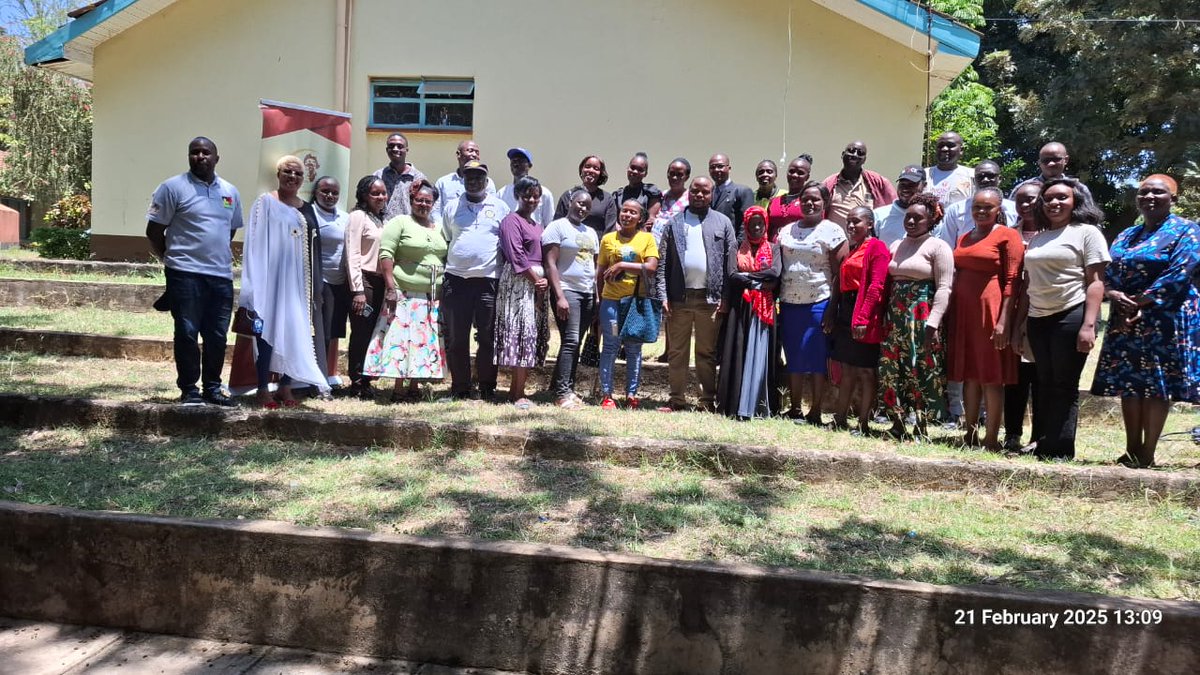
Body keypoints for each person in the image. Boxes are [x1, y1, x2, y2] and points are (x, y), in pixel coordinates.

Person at [1090, 174, 1200, 468]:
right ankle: (1131, 448)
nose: (1149, 197)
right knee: (1130, 383)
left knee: (1157, 384)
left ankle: (1148, 451)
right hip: (1126, 317)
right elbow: (1110, 270)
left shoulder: (1187, 231)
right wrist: (1115, 294)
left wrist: (1141, 300)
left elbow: (1180, 272)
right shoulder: (1128, 234)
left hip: (1165, 317)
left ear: (1173, 199)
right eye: (1144, 192)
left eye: (1158, 192)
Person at [1013, 178, 1109, 460]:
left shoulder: (1087, 233)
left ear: (1075, 202)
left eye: (1061, 198)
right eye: (1049, 199)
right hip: (1037, 317)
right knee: (1044, 381)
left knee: (1064, 384)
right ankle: (1044, 442)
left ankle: (1061, 448)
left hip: (1071, 313)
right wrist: (1021, 323)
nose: (1054, 203)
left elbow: (1096, 282)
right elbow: (1028, 284)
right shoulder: (1040, 238)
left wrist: (1090, 325)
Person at [146, 136, 243, 407]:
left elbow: (229, 230)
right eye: (194, 152)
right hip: (184, 273)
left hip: (220, 276)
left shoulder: (230, 192)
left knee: (217, 334)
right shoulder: (172, 187)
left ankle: (212, 388)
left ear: (216, 158)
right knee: (187, 331)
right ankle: (189, 389)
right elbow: (154, 231)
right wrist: (173, 258)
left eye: (206, 152)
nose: (200, 157)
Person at [238, 155, 331, 407]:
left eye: (298, 174)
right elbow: (255, 243)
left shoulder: (306, 207)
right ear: (278, 174)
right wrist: (255, 282)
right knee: (267, 332)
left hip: (298, 282)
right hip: (271, 279)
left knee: (293, 330)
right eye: (288, 172)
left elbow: (314, 245)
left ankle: (285, 387)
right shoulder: (265, 203)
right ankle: (261, 388)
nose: (293, 177)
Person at [946, 188, 1024, 451]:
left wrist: (1004, 320)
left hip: (991, 309)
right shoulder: (967, 236)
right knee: (970, 374)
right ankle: (969, 434)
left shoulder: (1007, 235)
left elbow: (1013, 279)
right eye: (977, 207)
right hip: (964, 311)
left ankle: (991, 438)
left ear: (999, 209)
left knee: (991, 375)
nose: (981, 211)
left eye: (987, 207)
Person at [656, 177, 738, 412]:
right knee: (677, 351)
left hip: (709, 299)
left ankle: (706, 401)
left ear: (712, 194)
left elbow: (729, 263)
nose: (699, 195)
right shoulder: (674, 222)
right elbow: (663, 263)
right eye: (695, 191)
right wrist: (663, 296)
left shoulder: (722, 222)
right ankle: (677, 399)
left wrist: (725, 297)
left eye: (705, 191)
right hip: (679, 299)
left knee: (706, 352)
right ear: (689, 193)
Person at [877, 192, 953, 438]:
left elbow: (944, 287)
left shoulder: (938, 247)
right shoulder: (897, 245)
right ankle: (898, 422)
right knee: (893, 365)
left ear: (931, 220)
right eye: (908, 217)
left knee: (920, 366)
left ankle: (921, 424)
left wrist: (933, 322)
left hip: (921, 314)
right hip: (895, 314)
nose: (910, 222)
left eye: (917, 218)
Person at [364, 179, 447, 402]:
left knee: (422, 342)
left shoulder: (439, 227)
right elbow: (386, 255)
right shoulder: (400, 222)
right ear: (412, 200)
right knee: (401, 341)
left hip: (430, 297)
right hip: (403, 294)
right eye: (419, 200)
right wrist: (391, 288)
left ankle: (414, 386)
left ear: (433, 204)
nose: (423, 204)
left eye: (427, 201)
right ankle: (398, 388)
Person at [776, 181, 847, 424]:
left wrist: (832, 308)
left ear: (825, 203)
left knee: (817, 358)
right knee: (794, 357)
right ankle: (795, 408)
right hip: (788, 301)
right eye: (805, 198)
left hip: (819, 301)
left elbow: (839, 273)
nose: (809, 203)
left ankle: (815, 410)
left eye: (815, 199)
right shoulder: (786, 231)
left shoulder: (833, 231)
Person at [441, 159, 510, 400]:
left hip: (488, 281)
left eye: (478, 177)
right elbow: (449, 237)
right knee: (457, 337)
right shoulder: (451, 207)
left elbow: (504, 241)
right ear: (463, 179)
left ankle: (487, 387)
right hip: (457, 280)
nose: (473, 181)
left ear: (486, 180)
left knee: (488, 336)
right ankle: (460, 387)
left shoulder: (500, 207)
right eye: (469, 177)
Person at [829, 206, 890, 434]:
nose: (851, 226)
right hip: (847, 311)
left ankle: (864, 421)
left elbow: (876, 286)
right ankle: (840, 417)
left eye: (857, 221)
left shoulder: (877, 247)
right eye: (849, 222)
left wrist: (863, 318)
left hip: (865, 314)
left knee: (865, 371)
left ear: (870, 224)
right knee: (847, 369)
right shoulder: (853, 249)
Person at [716, 206, 782, 419]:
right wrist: (759, 282)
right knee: (739, 349)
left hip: (764, 307)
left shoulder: (774, 248)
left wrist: (749, 278)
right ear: (745, 226)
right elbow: (733, 274)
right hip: (740, 307)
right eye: (751, 224)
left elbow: (775, 272)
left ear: (765, 225)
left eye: (759, 224)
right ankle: (736, 404)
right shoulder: (736, 246)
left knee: (761, 352)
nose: (755, 227)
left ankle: (758, 404)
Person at [597, 200, 659, 409]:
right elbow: (600, 272)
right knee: (611, 346)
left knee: (633, 348)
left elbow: (651, 267)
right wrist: (599, 299)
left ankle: (631, 395)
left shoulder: (647, 239)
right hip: (612, 303)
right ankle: (607, 395)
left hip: (634, 305)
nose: (627, 215)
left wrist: (622, 264)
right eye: (625, 211)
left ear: (640, 218)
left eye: (633, 212)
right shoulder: (607, 239)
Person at [495, 176, 551, 408]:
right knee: (521, 334)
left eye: (536, 196)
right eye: (527, 195)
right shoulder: (511, 221)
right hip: (519, 284)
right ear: (518, 196)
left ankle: (519, 389)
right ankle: (516, 393)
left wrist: (542, 282)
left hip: (537, 284)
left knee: (532, 334)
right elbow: (516, 256)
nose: (532, 199)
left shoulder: (538, 226)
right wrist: (537, 279)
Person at [542, 188, 598, 408]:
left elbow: (592, 266)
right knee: (571, 340)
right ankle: (562, 393)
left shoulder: (591, 232)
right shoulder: (556, 227)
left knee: (576, 342)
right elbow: (550, 263)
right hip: (567, 291)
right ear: (570, 202)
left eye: (587, 206)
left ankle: (565, 387)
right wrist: (559, 296)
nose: (582, 208)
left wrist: (596, 296)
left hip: (587, 293)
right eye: (580, 203)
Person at [1002, 183, 1044, 451]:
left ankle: (1038, 436)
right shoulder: (1008, 234)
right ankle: (1012, 433)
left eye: (1031, 199)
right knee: (1014, 376)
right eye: (1020, 200)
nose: (1025, 204)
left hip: (1042, 310)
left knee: (1039, 376)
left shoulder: (1051, 233)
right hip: (1011, 310)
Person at [344, 175, 390, 399]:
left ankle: (368, 378)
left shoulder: (381, 219)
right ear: (364, 195)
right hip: (365, 282)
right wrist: (358, 290)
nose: (381, 197)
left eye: (383, 193)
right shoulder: (358, 217)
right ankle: (356, 380)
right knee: (361, 330)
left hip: (381, 282)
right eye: (375, 193)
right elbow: (352, 253)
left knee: (374, 330)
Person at [304, 176, 351, 387]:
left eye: (334, 193)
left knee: (331, 332)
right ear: (315, 192)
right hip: (317, 282)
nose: (330, 196)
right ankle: (315, 380)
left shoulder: (344, 217)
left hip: (339, 282)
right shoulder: (308, 214)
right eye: (325, 191)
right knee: (318, 333)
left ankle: (323, 374)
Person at [938, 161, 1018, 249]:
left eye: (990, 176)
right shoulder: (955, 210)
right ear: (973, 180)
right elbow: (947, 246)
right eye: (980, 176)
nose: (985, 180)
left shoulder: (1014, 209)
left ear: (1000, 179)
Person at [822, 140, 897, 228]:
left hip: (867, 241)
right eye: (851, 151)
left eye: (860, 153)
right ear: (842, 154)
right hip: (835, 240)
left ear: (864, 160)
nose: (855, 155)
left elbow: (895, 208)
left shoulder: (878, 182)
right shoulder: (829, 183)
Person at [1009, 141, 1095, 205]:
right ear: (1039, 163)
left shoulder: (1078, 188)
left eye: (1056, 159)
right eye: (1045, 160)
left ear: (1066, 160)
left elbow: (1091, 219)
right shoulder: (1023, 188)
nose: (1051, 164)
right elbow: (1011, 217)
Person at [433, 140, 497, 221]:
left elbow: (492, 207)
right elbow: (435, 211)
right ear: (458, 154)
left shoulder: (487, 182)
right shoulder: (443, 182)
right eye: (470, 151)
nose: (474, 155)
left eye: (477, 152)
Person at [555, 155, 617, 236]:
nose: (591, 170)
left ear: (601, 173)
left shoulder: (607, 199)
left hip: (596, 246)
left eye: (596, 168)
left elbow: (610, 231)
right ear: (581, 169)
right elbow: (557, 224)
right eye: (587, 166)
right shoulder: (568, 195)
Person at [373, 132, 428, 220]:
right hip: (382, 227)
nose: (395, 149)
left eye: (400, 146)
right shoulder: (378, 176)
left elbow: (426, 205)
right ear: (387, 150)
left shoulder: (419, 178)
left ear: (406, 150)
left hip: (410, 228)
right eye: (391, 146)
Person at [872, 165, 927, 248]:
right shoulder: (878, 215)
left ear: (924, 186)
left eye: (912, 184)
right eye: (902, 184)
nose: (905, 189)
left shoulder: (931, 218)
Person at [498, 147, 554, 226]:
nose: (516, 164)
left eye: (521, 161)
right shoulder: (502, 193)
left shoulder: (544, 193)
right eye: (513, 161)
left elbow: (549, 223)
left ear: (529, 165)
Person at [709, 153, 755, 241]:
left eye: (720, 166)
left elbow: (746, 224)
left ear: (729, 168)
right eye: (712, 167)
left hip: (732, 248)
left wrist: (736, 248)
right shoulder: (708, 192)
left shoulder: (742, 191)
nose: (716, 170)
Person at [924, 131, 975, 207]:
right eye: (940, 146)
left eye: (950, 145)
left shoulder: (972, 176)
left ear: (961, 150)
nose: (944, 149)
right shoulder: (924, 175)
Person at [612, 152, 662, 227]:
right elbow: (613, 220)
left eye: (640, 170)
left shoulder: (651, 193)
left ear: (645, 174)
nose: (635, 172)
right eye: (632, 168)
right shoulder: (618, 195)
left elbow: (650, 222)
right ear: (627, 168)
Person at [652, 157, 691, 239]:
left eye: (679, 174)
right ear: (667, 174)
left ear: (686, 177)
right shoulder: (661, 196)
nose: (674, 178)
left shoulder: (690, 198)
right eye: (672, 173)